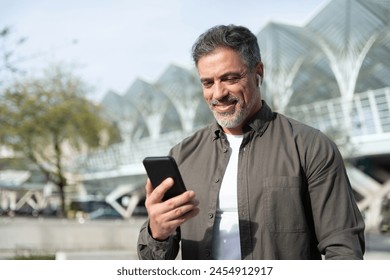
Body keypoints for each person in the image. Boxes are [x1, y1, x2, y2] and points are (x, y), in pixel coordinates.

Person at [137, 24, 365, 260]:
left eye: (230, 78)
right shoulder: (182, 156)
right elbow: (152, 262)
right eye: (207, 83)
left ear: (259, 72)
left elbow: (344, 249)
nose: (218, 93)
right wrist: (158, 232)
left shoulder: (311, 147)